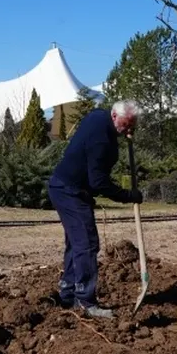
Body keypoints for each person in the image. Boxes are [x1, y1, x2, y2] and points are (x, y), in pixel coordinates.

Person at [47, 100, 144, 319]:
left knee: (76, 244)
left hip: (65, 187)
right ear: (114, 116)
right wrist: (128, 196)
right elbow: (99, 182)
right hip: (70, 192)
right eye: (126, 124)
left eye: (132, 126)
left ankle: (68, 293)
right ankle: (85, 301)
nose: (128, 130)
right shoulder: (102, 139)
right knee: (87, 244)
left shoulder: (98, 116)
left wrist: (124, 132)